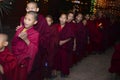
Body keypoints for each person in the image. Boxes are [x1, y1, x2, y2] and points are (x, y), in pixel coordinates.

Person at [17, 1, 50, 80]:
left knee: (35, 68)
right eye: (28, 8)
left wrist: (34, 38)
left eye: (32, 8)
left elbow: (47, 36)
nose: (30, 10)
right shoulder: (23, 18)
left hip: (38, 48)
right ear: (26, 9)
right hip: (24, 48)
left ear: (37, 9)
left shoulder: (42, 20)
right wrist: (19, 30)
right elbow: (21, 30)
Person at [12, 11, 39, 80]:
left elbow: (34, 49)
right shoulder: (20, 29)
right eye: (25, 18)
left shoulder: (35, 34)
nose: (26, 21)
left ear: (35, 22)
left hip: (24, 60)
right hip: (15, 56)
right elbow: (14, 43)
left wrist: (26, 39)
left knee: (21, 76)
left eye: (29, 20)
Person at [54, 14, 74, 78]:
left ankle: (64, 72)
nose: (62, 19)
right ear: (59, 18)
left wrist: (63, 42)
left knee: (64, 60)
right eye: (61, 18)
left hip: (64, 46)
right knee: (56, 59)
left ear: (66, 20)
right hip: (56, 46)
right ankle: (56, 70)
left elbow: (71, 36)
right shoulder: (55, 26)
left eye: (64, 18)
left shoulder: (68, 27)